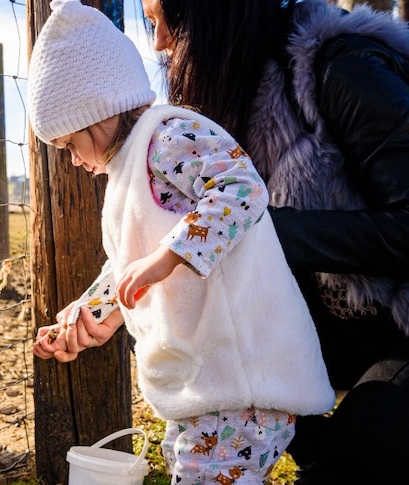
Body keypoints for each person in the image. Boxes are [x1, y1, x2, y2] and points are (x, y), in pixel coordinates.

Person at [27, 1, 335, 484]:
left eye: (69, 144)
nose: (71, 161)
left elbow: (243, 189)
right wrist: (96, 312)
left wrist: (167, 257)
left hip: (244, 382)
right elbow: (134, 259)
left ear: (97, 109)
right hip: (207, 387)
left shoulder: (168, 135)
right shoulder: (129, 166)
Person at [137, 0, 409, 483]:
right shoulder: (234, 97)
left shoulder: (342, 70)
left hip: (399, 330)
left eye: (164, 20)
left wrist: (256, 225)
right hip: (344, 326)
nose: (158, 42)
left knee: (372, 438)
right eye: (149, 23)